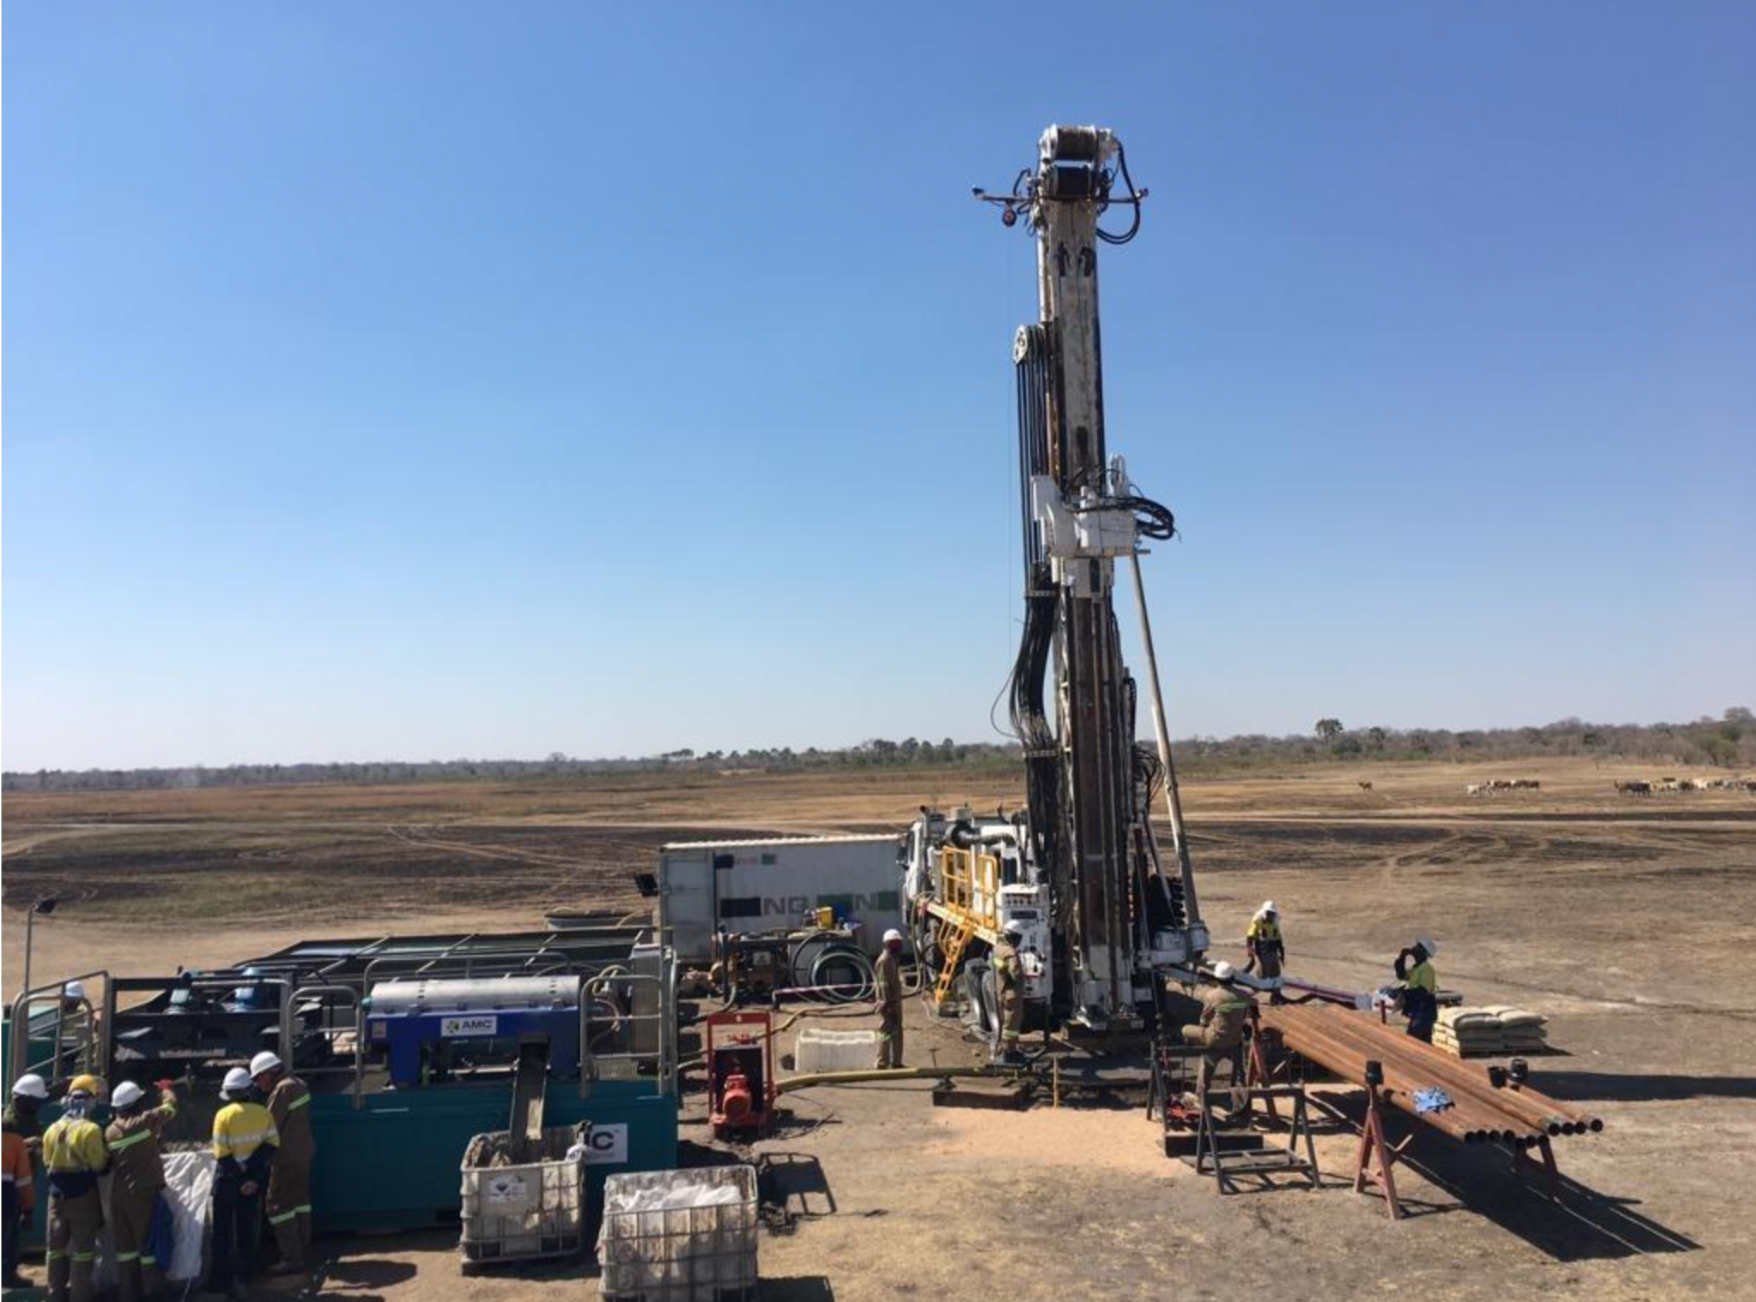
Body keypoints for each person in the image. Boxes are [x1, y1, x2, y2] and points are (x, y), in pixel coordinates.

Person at [206, 1067, 278, 1301]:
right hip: (253, 1182)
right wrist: (251, 1177)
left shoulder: (222, 1116)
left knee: (221, 1234)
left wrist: (239, 1177)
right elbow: (271, 1145)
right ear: (249, 1091)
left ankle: (220, 1282)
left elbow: (221, 1154)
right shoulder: (263, 1113)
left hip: (227, 1182)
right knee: (246, 1232)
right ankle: (246, 1277)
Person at [104, 1080, 179, 1302]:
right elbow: (171, 1107)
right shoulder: (144, 1122)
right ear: (135, 1104)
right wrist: (166, 1088)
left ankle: (128, 1293)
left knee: (125, 1249)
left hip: (118, 1196)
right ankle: (152, 1291)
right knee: (147, 1247)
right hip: (142, 1194)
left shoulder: (109, 1132)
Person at [42, 1077, 109, 1302]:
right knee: (83, 1252)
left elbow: (46, 1163)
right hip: (83, 1198)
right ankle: (80, 1296)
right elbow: (99, 1165)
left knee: (55, 1249)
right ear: (91, 1101)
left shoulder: (51, 1130)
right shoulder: (90, 1130)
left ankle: (55, 1295)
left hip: (55, 1198)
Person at [250, 1051, 315, 1273]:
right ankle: (303, 1249)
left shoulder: (282, 1089)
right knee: (300, 1201)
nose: (257, 1083)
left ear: (270, 1073)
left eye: (258, 1077)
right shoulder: (299, 1084)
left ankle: (292, 1258)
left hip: (285, 1158)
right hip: (303, 1153)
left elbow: (269, 1126)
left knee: (277, 1206)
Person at [1179, 961, 1255, 1103]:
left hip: (1214, 1041)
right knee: (1239, 1069)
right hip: (1235, 1041)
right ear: (1232, 978)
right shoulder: (1242, 996)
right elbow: (1252, 1007)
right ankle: (1242, 1093)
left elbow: (1204, 1020)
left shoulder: (1212, 995)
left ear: (1216, 978)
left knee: (1186, 1030)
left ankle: (1200, 1094)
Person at [3, 1088, 39, 1290]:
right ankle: (7, 1277)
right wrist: (28, 1210)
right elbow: (24, 1181)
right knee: (7, 1237)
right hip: (7, 1190)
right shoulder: (15, 1141)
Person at [992, 921, 1026, 1064]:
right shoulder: (1011, 952)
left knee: (1004, 1022)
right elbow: (1016, 972)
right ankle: (1010, 1052)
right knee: (1011, 1024)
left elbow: (1000, 969)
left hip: (1001, 991)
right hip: (1012, 993)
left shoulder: (997, 948)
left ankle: (1003, 1049)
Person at [872, 930, 906, 1070]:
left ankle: (896, 1062)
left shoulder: (892, 959)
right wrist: (888, 1006)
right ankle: (881, 1063)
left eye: (898, 944)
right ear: (886, 944)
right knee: (886, 1033)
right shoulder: (884, 961)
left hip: (894, 1002)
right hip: (887, 1003)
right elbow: (883, 984)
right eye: (894, 944)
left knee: (897, 1031)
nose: (897, 947)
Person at [1395, 937, 1440, 1042]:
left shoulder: (1427, 969)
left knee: (1412, 1041)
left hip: (1424, 1012)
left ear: (1423, 953)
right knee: (1423, 1044)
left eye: (1416, 948)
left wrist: (1403, 993)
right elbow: (1401, 975)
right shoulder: (1417, 968)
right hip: (1418, 1011)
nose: (1413, 950)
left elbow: (1422, 991)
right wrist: (1402, 957)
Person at [1244, 901, 1285, 982]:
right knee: (1262, 972)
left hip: (1273, 951)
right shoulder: (1257, 922)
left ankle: (1275, 990)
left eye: (1272, 913)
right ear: (1264, 912)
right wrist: (1249, 948)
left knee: (1275, 972)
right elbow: (1250, 936)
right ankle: (1259, 986)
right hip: (1261, 952)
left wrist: (1282, 953)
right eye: (1268, 913)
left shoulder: (1274, 923)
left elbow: (1278, 940)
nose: (1270, 915)